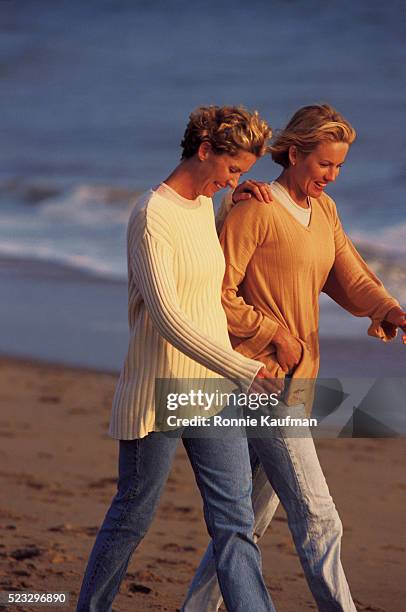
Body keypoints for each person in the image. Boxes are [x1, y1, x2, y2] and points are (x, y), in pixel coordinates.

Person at [183, 104, 406, 611]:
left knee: (248, 521)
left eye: (340, 167)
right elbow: (215, 292)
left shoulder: (323, 211)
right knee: (320, 516)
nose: (332, 176)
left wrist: (389, 309)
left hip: (299, 380)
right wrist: (272, 334)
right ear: (295, 153)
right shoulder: (255, 208)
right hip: (263, 383)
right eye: (324, 164)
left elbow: (346, 268)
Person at [76, 105, 280, 612]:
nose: (235, 179)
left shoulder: (204, 206)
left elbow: (205, 271)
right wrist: (244, 368)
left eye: (244, 174)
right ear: (205, 151)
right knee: (131, 518)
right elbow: (169, 317)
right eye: (233, 170)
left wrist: (235, 201)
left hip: (213, 391)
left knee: (235, 522)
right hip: (160, 390)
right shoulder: (151, 216)